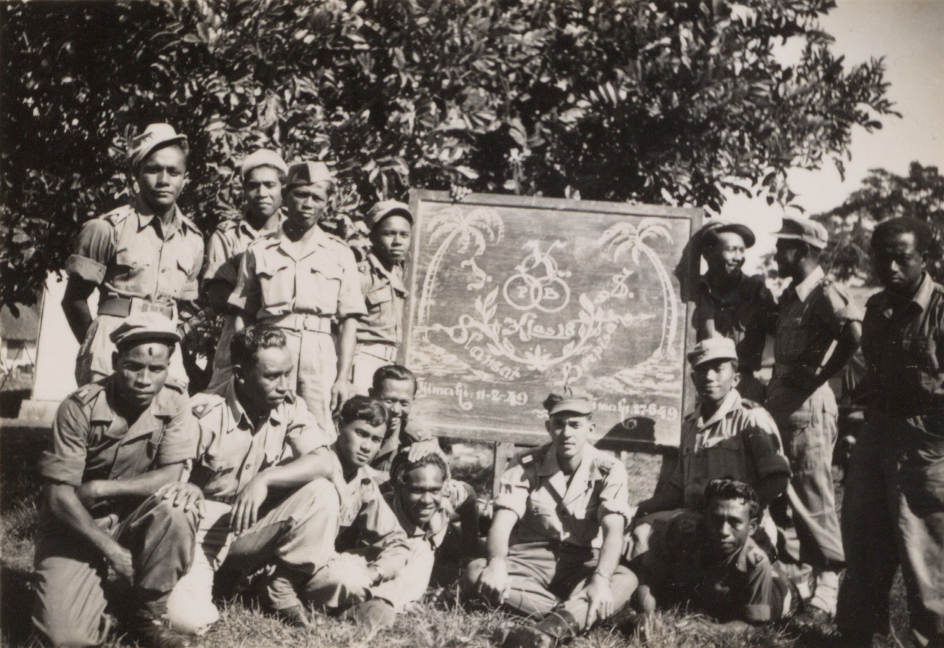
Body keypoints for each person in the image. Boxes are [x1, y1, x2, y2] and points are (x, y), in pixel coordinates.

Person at [161, 324, 347, 631]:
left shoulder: (289, 405)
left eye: (288, 373)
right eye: (272, 376)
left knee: (321, 492)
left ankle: (279, 588)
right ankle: (216, 581)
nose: (285, 386)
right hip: (202, 536)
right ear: (240, 372)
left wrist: (265, 479)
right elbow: (172, 491)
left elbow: (324, 461)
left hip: (248, 527)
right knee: (189, 622)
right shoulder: (204, 412)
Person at [32, 313, 199, 648]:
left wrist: (101, 488)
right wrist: (109, 548)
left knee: (177, 506)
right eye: (133, 366)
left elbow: (171, 475)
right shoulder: (79, 408)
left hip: (132, 520)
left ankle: (145, 613)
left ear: (168, 368)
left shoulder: (176, 402)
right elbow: (58, 497)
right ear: (114, 361)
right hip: (76, 526)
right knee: (65, 639)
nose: (144, 379)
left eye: (156, 369)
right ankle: (99, 604)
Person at [836, 217, 944, 648]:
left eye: (903, 258)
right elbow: (866, 380)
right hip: (877, 435)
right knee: (862, 542)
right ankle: (859, 636)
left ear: (926, 258)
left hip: (925, 446)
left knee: (924, 556)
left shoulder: (939, 310)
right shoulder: (877, 308)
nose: (892, 268)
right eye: (883, 258)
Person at [464, 387, 637, 648]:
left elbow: (614, 530)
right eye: (559, 424)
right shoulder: (525, 463)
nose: (567, 433)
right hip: (529, 560)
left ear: (590, 429)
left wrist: (600, 580)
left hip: (582, 564)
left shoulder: (610, 469)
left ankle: (546, 631)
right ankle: (588, 617)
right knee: (477, 571)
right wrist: (497, 561)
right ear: (548, 427)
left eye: (575, 425)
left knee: (625, 578)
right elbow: (503, 521)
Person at [765, 216, 862, 621]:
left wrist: (821, 373)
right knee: (785, 496)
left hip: (809, 408)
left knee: (814, 496)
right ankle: (802, 579)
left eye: (783, 245)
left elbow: (855, 334)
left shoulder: (825, 292)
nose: (775, 253)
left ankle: (828, 588)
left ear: (802, 251)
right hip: (784, 406)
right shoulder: (793, 295)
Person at [62, 123, 204, 389]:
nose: (164, 180)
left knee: (167, 427)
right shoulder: (107, 228)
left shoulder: (193, 239)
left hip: (166, 350)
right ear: (136, 175)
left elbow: (187, 309)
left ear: (186, 179)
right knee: (106, 425)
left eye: (173, 171)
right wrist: (97, 343)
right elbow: (74, 300)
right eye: (153, 169)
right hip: (112, 346)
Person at [228, 161, 366, 434]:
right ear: (286, 197)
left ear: (327, 202)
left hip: (320, 350)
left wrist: (343, 378)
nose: (307, 203)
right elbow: (243, 312)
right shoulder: (260, 249)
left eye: (316, 197)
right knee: (266, 423)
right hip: (272, 346)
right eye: (300, 195)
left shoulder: (339, 253)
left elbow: (349, 321)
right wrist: (245, 363)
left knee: (320, 428)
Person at [632, 337, 790, 556]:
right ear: (692, 378)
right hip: (693, 521)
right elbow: (677, 491)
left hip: (735, 527)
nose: (709, 377)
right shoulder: (690, 426)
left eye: (718, 369)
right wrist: (638, 509)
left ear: (735, 378)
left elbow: (778, 479)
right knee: (640, 533)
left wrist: (740, 510)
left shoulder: (751, 418)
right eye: (702, 370)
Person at [296, 396, 411, 627]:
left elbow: (397, 541)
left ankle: (366, 597)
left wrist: (375, 571)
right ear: (339, 426)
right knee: (350, 581)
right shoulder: (312, 464)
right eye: (361, 434)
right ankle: (357, 602)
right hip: (288, 567)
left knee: (414, 553)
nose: (367, 446)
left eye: (376, 439)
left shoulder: (364, 482)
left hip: (324, 563)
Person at [629, 479, 797, 628]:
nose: (724, 531)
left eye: (734, 522)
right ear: (703, 516)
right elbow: (649, 579)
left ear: (752, 527)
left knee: (777, 602)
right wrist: (648, 615)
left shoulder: (756, 564)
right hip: (707, 593)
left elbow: (752, 624)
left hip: (777, 591)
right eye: (716, 519)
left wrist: (712, 628)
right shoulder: (679, 531)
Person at [203, 150, 287, 391]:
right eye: (253, 186)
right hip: (238, 335)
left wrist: (243, 287)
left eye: (270, 185)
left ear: (283, 188)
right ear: (244, 190)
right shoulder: (227, 235)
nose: (262, 193)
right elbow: (218, 298)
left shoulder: (294, 234)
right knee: (223, 400)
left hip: (283, 336)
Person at [378, 447, 480, 604]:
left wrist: (469, 553)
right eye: (417, 490)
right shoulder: (383, 511)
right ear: (399, 488)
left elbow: (471, 496)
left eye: (434, 490)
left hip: (445, 538)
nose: (426, 500)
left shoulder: (448, 493)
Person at [693, 221, 777, 402]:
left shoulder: (756, 291)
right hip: (699, 387)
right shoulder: (694, 292)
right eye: (731, 250)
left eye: (742, 251)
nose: (738, 257)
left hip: (743, 389)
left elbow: (784, 332)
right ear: (708, 254)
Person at [352, 200, 413, 394]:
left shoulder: (399, 271)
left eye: (404, 235)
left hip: (393, 363)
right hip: (363, 361)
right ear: (373, 237)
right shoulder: (361, 275)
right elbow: (342, 327)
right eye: (389, 234)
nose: (397, 241)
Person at [368, 364, 442, 476]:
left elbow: (444, 475)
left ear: (412, 401)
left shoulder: (414, 434)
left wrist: (432, 448)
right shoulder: (355, 422)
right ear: (372, 395)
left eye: (404, 403)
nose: (396, 410)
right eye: (389, 401)